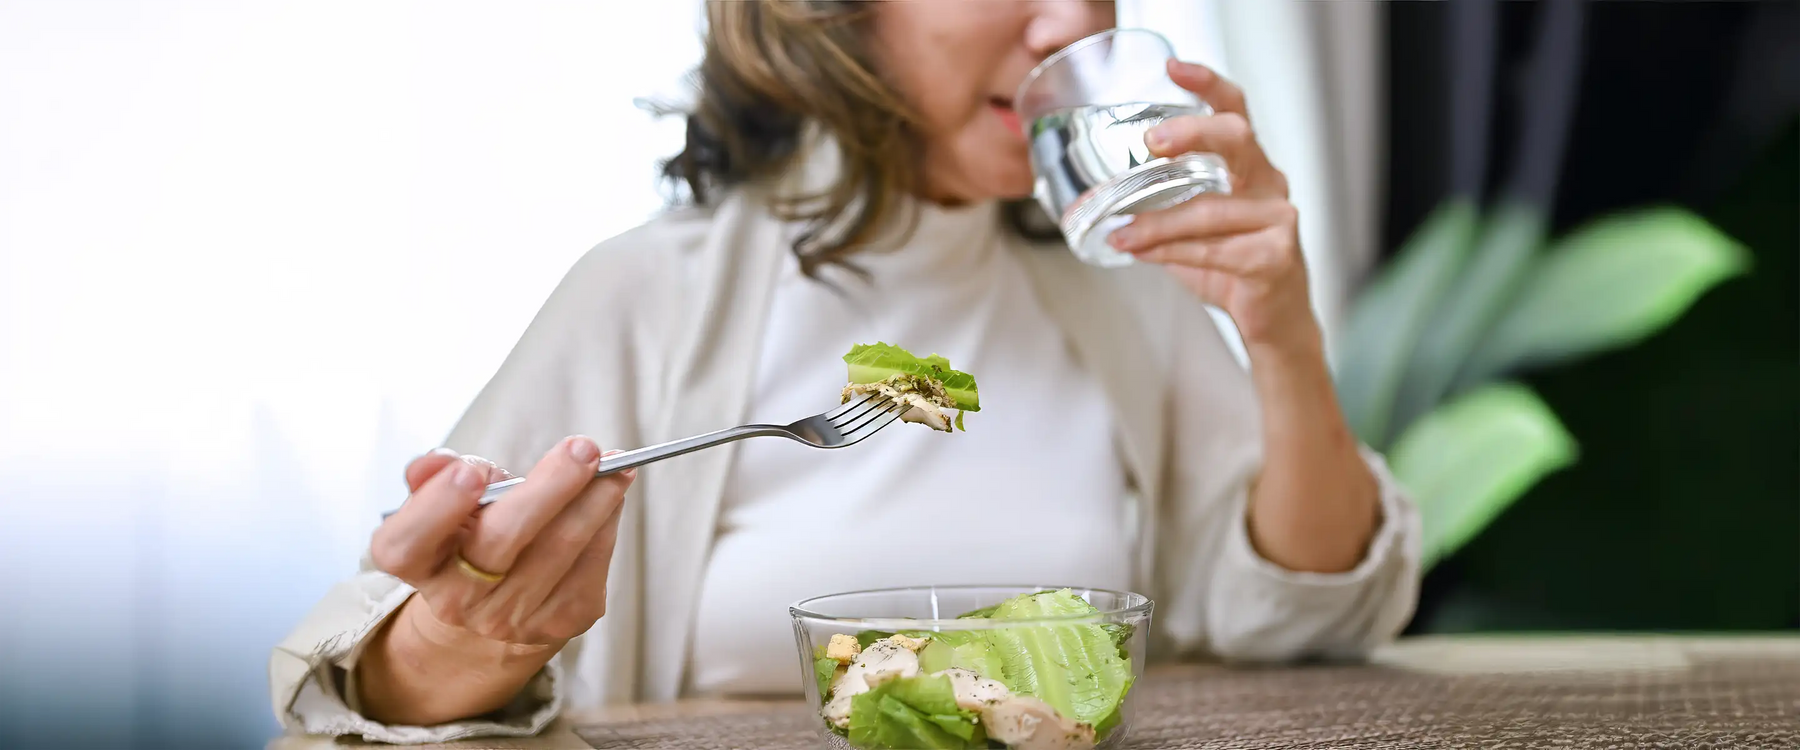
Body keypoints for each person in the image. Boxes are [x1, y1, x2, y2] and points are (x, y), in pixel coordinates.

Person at [270, 1, 1420, 743]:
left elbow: (1301, 615)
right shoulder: (646, 297)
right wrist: (462, 645)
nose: (1070, 21)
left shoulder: (1123, 295)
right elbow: (354, 709)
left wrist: (1283, 336)